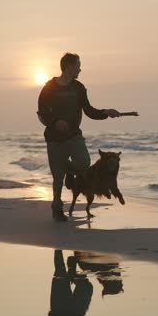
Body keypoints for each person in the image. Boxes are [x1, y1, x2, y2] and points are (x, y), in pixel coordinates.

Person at [37, 53, 121, 221]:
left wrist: (106, 112)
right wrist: (55, 122)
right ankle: (57, 208)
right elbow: (42, 113)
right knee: (58, 177)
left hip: (74, 136)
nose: (80, 69)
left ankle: (69, 170)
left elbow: (89, 111)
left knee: (83, 163)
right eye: (77, 65)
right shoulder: (48, 87)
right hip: (54, 138)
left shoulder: (79, 88)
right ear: (68, 67)